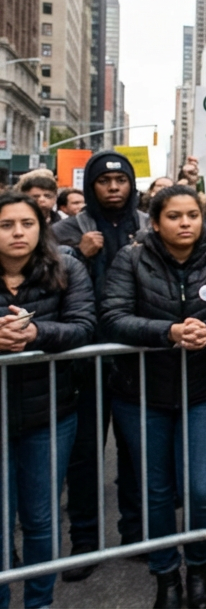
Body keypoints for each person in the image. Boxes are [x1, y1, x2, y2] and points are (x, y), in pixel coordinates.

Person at [102, 184, 206, 608]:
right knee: (155, 491)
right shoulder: (131, 258)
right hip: (141, 396)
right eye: (174, 216)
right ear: (155, 222)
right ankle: (165, 576)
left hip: (204, 391)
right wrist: (167, 333)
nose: (185, 222)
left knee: (204, 490)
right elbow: (112, 316)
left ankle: (199, 569)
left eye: (192, 214)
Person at [52, 150, 150, 578]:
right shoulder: (65, 230)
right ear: (90, 186)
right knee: (84, 456)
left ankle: (136, 534)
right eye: (104, 181)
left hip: (135, 355)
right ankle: (84, 544)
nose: (114, 187)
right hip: (83, 359)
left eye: (121, 180)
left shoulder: (147, 226)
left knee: (134, 451)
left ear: (131, 184)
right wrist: (76, 251)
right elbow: (45, 275)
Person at [0, 194, 94, 609]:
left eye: (27, 223)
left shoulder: (67, 267)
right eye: (6, 225)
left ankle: (39, 602)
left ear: (42, 227)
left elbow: (84, 325)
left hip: (49, 413)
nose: (18, 232)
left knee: (41, 520)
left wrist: (37, 336)